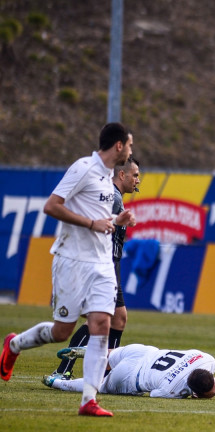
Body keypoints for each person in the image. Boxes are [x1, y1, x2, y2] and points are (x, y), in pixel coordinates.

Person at [1, 122, 135, 417]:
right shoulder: (84, 168)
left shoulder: (108, 179)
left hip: (102, 264)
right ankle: (14, 344)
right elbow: (51, 206)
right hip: (71, 261)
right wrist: (91, 224)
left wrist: (117, 222)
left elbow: (100, 221)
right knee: (62, 332)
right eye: (130, 145)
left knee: (102, 323)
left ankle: (89, 399)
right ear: (118, 146)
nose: (130, 150)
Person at [49, 156, 141, 382]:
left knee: (118, 318)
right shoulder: (111, 197)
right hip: (102, 264)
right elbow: (95, 228)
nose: (138, 180)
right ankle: (64, 370)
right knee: (103, 318)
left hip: (111, 263)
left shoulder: (115, 197)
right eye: (135, 175)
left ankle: (107, 371)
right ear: (122, 174)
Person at [44, 344, 215, 399]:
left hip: (145, 351)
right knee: (100, 385)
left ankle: (86, 350)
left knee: (110, 355)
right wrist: (188, 393)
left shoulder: (208, 360)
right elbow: (154, 394)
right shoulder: (171, 389)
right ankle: (56, 382)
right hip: (131, 376)